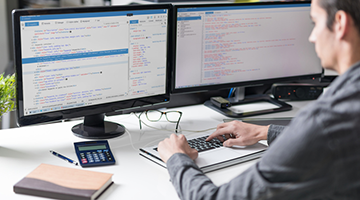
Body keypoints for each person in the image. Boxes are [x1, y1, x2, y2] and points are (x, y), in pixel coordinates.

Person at [157, 0, 360, 199]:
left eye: (314, 23)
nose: (312, 37)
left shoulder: (327, 119)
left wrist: (177, 158)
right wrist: (265, 131)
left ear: (340, 23)